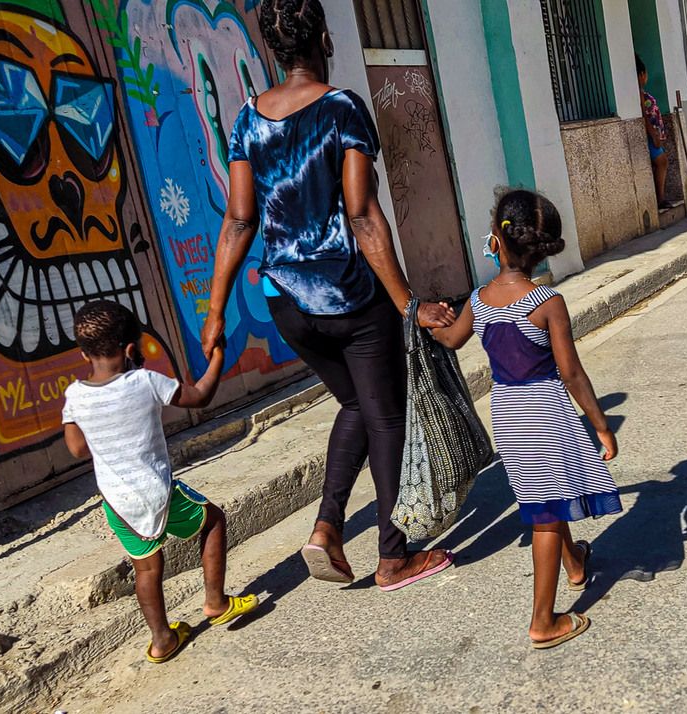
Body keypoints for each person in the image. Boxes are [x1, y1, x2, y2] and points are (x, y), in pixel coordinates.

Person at [200, 0, 456, 591]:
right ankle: (393, 556)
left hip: (286, 300)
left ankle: (326, 530)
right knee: (385, 415)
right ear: (322, 36)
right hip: (347, 296)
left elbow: (238, 222)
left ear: (272, 46)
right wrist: (407, 304)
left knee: (354, 405)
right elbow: (363, 214)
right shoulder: (342, 108)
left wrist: (215, 312)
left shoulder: (245, 119)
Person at [432, 190, 623, 650]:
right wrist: (599, 423)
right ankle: (543, 621)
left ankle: (574, 562)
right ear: (542, 247)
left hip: (509, 415)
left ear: (496, 240)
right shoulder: (547, 303)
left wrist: (426, 317)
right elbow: (572, 372)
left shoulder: (478, 301)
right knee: (545, 512)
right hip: (546, 413)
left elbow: (451, 340)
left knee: (546, 495)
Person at [62, 301, 260, 664]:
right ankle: (216, 603)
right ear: (131, 350)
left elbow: (76, 448)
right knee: (213, 520)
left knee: (148, 568)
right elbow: (199, 396)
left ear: (83, 353)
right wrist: (217, 356)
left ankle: (162, 639)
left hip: (117, 503)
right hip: (159, 492)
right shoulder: (145, 381)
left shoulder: (75, 396)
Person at [637, 56, 673, 210]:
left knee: (662, 161)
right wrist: (653, 134)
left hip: (654, 135)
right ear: (642, 74)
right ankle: (660, 198)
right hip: (650, 135)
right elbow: (644, 116)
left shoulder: (642, 92)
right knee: (661, 161)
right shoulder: (639, 94)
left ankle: (661, 197)